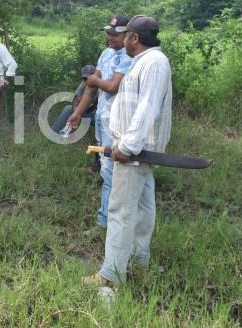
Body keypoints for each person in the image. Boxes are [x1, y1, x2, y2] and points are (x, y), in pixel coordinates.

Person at [83, 15, 172, 288]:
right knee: (144, 207)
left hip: (134, 151)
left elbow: (147, 107)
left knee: (120, 210)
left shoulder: (154, 63)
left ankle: (109, 275)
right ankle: (139, 260)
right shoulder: (144, 62)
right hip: (137, 149)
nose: (120, 40)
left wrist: (127, 146)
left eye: (126, 35)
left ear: (134, 37)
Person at [67, 16, 133, 229]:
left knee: (115, 170)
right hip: (103, 119)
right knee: (106, 167)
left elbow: (112, 86)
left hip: (119, 122)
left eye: (116, 33)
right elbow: (91, 88)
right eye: (109, 33)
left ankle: (108, 220)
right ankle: (106, 218)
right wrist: (78, 112)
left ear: (128, 35)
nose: (110, 37)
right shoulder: (105, 54)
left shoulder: (130, 56)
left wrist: (95, 81)